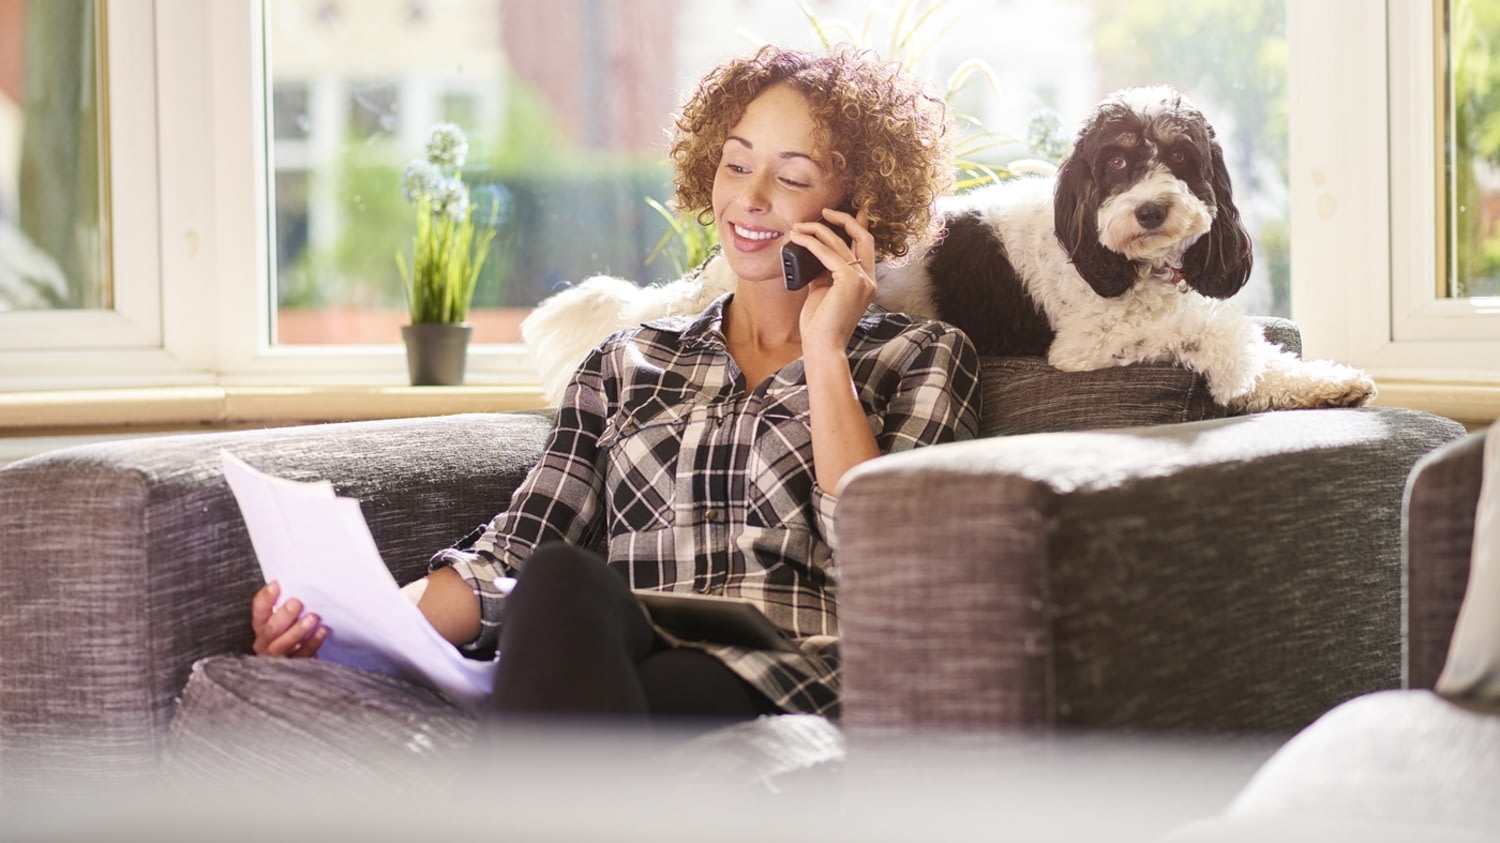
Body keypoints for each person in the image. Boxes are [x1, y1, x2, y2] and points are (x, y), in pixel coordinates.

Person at [250, 45, 982, 726]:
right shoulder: (626, 361)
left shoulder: (923, 357)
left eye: (792, 177)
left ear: (860, 207)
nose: (752, 198)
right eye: (735, 165)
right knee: (563, 579)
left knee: (596, 707)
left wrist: (826, 353)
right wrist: (340, 624)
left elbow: (887, 566)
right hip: (616, 660)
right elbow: (512, 555)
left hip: (787, 676)